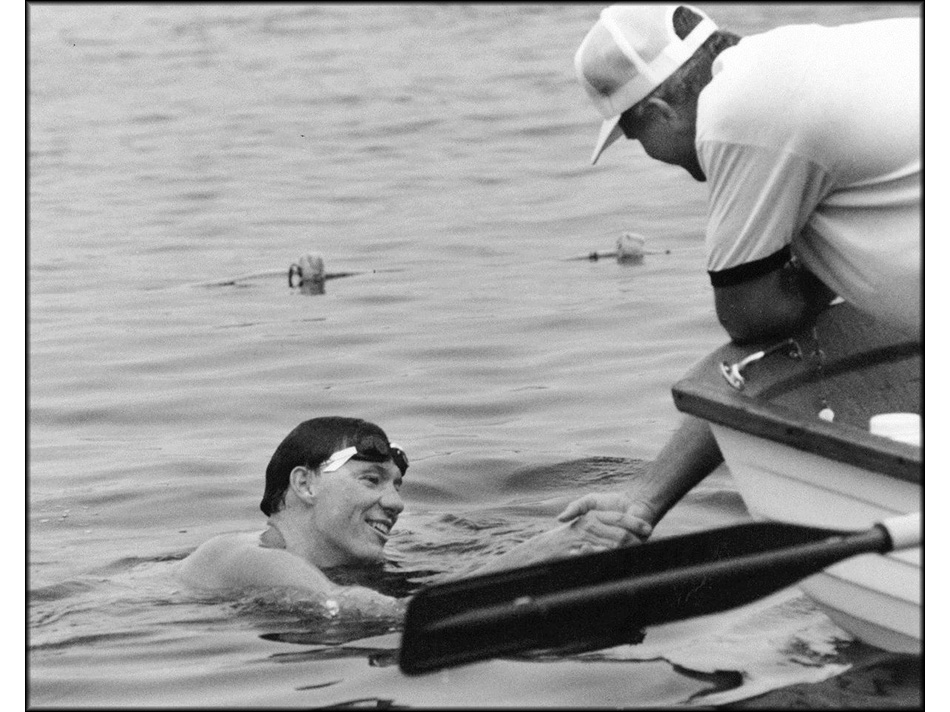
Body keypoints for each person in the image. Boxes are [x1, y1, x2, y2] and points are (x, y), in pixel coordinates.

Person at [559, 6, 920, 532]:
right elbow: (768, 347)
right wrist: (645, 497)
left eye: (636, 140)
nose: (656, 158)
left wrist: (799, 279)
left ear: (660, 111)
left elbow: (753, 319)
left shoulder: (738, 114)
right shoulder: (818, 57)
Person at [178, 416, 650, 611]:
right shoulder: (252, 558)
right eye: (371, 480)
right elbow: (391, 617)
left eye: (397, 485)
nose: (397, 503)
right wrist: (544, 550)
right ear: (305, 484)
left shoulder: (350, 563)